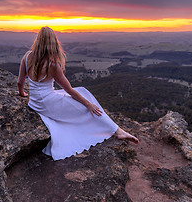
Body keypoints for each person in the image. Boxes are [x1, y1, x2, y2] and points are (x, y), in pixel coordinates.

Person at [17, 26, 139, 160]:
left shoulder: (27, 56)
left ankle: (117, 129)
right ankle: (118, 131)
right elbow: (69, 90)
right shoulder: (52, 65)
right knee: (88, 109)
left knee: (82, 90)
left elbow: (19, 82)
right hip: (48, 103)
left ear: (38, 40)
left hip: (35, 103)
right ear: (53, 42)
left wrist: (23, 94)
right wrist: (88, 105)